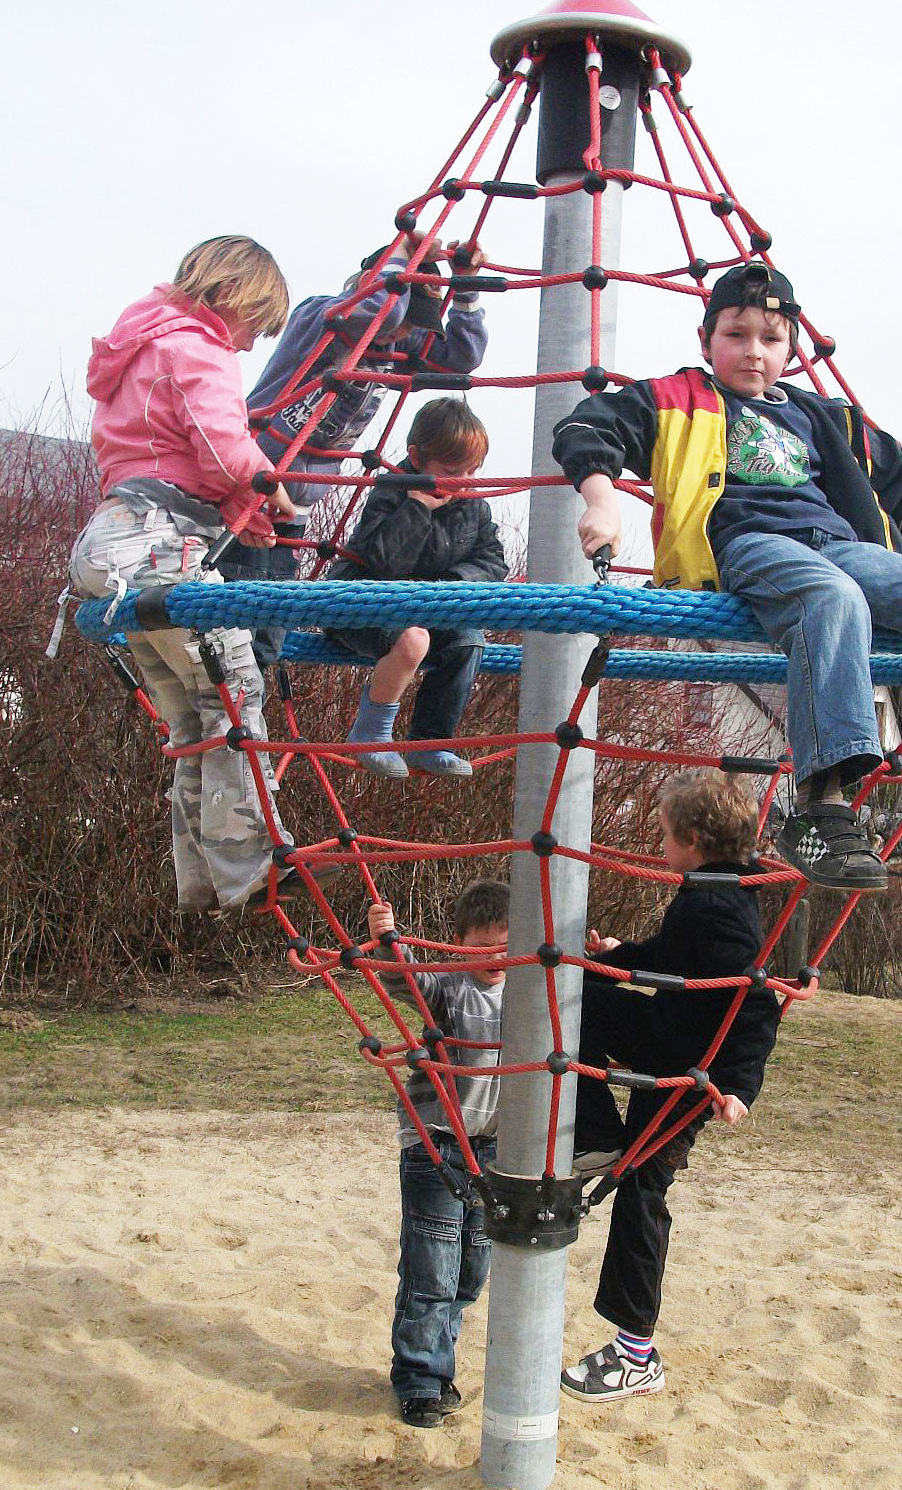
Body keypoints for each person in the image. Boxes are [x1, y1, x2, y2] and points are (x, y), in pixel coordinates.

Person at [552, 260, 902, 912]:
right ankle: (822, 802)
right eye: (737, 334)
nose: (753, 351)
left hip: (843, 548)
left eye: (771, 338)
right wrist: (602, 500)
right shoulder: (679, 398)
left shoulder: (820, 415)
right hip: (751, 546)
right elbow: (588, 426)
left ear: (790, 350)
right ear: (707, 341)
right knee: (830, 599)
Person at [68, 236, 326, 913]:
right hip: (158, 546)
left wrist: (241, 502)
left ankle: (205, 879)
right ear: (231, 296)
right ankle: (254, 865)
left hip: (117, 539)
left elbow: (173, 452)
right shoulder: (196, 345)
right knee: (236, 691)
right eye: (253, 326)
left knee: (192, 720)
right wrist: (268, 486)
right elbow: (219, 442)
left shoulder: (142, 343)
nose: (245, 347)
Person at [561, 769, 781, 1403]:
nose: (657, 844)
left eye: (662, 834)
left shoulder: (715, 902)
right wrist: (618, 953)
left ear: (691, 837)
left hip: (691, 1070)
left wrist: (739, 1083)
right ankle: (600, 1137)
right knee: (581, 991)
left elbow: (754, 995)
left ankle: (636, 1353)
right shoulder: (721, 886)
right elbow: (673, 958)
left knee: (642, 1190)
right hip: (675, 1043)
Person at [217, 234, 489, 669]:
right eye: (407, 316)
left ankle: (242, 727)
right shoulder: (323, 316)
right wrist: (402, 253)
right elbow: (375, 314)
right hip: (248, 489)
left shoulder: (394, 349)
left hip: (292, 512)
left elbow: (461, 356)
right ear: (369, 281)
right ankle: (225, 726)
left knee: (265, 643)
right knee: (230, 635)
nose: (407, 331)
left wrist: (467, 287)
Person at [367, 879, 509, 1428]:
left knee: (472, 1268)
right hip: (437, 1144)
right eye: (482, 946)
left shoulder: (529, 993)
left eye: (505, 945)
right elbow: (406, 981)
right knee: (432, 1268)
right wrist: (387, 941)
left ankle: (436, 1361)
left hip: (496, 1153)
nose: (495, 958)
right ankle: (421, 1379)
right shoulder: (449, 987)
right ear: (459, 943)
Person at [327, 397, 508, 779]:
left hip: (428, 608)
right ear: (415, 457)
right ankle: (371, 733)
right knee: (413, 640)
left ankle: (430, 740)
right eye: (451, 470)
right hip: (363, 604)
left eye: (472, 471)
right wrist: (417, 508)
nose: (462, 480)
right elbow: (383, 563)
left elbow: (493, 562)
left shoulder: (472, 505)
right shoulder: (391, 490)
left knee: (468, 640)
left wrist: (450, 587)